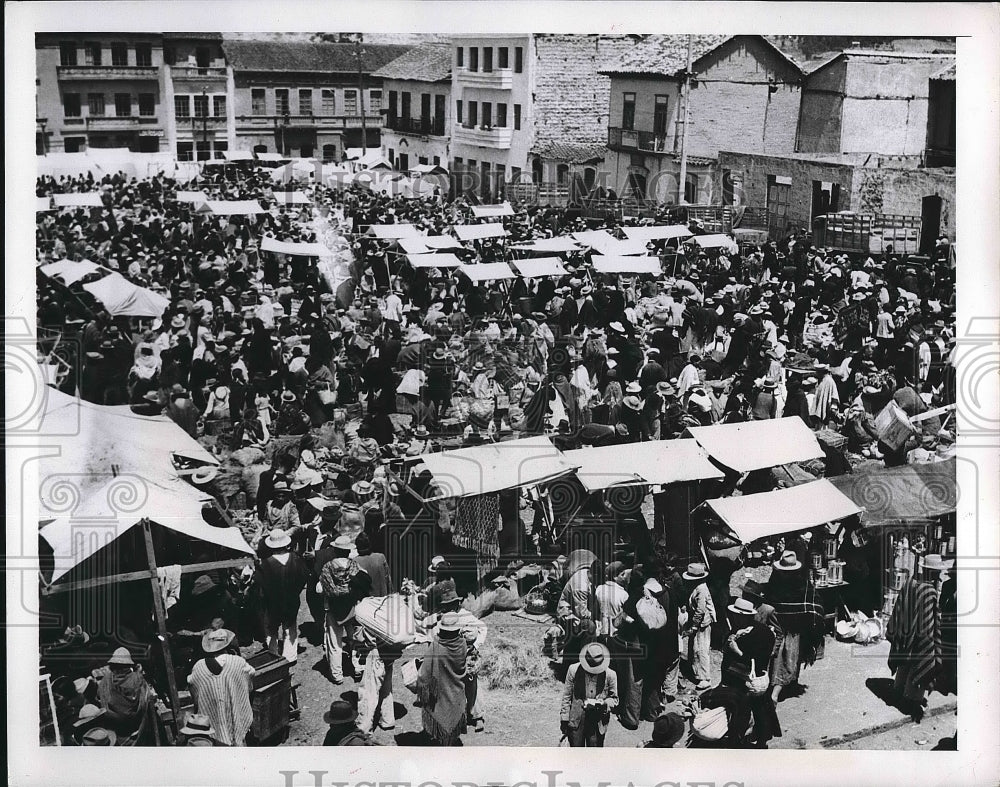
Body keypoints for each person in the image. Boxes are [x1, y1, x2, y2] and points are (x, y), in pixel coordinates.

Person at [887, 554, 950, 720]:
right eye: (938, 573)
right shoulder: (930, 591)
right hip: (919, 636)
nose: (939, 576)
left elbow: (900, 608)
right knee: (921, 661)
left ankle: (898, 689)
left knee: (904, 662)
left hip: (905, 633)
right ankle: (910, 700)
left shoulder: (910, 582)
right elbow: (929, 625)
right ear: (934, 573)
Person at [766, 550, 825, 705]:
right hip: (795, 629)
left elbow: (769, 598)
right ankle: (776, 693)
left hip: (777, 626)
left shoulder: (776, 578)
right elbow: (814, 604)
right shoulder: (802, 581)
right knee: (790, 658)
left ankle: (782, 687)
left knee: (779, 659)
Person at [721, 597, 782, 747]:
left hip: (748, 680)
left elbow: (759, 658)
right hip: (737, 677)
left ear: (743, 616)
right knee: (757, 710)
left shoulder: (762, 634)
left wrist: (736, 650)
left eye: (736, 615)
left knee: (748, 711)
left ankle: (755, 740)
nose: (733, 618)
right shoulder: (737, 630)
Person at [187, 629, 255, 747]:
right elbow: (251, 676)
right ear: (227, 645)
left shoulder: (199, 667)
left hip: (211, 728)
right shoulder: (238, 662)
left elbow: (192, 684)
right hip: (236, 720)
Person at [255, 529, 309, 663]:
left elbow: (259, 584)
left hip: (271, 603)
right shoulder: (296, 559)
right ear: (286, 544)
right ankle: (290, 656)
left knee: (271, 628)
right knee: (290, 628)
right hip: (291, 600)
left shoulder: (264, 563)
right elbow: (303, 577)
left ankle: (272, 653)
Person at [417, 611, 469, 746]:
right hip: (457, 691)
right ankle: (450, 740)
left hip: (440, 693)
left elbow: (425, 674)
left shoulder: (436, 646)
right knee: (453, 715)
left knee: (439, 713)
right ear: (457, 629)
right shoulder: (463, 644)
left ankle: (439, 739)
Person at [319, 555, 372, 684]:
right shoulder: (354, 566)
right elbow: (365, 580)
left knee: (334, 643)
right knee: (355, 638)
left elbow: (319, 589)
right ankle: (358, 668)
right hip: (352, 608)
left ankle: (337, 675)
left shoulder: (327, 568)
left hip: (334, 609)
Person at [559, 641, 619, 748]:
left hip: (597, 720)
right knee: (576, 753)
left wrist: (604, 702)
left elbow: (614, 699)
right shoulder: (573, 670)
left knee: (594, 753)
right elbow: (567, 696)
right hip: (577, 719)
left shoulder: (611, 675)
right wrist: (564, 718)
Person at [92, 648, 155, 744]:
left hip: (115, 730)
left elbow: (98, 697)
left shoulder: (106, 680)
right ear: (129, 665)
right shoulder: (137, 678)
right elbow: (146, 700)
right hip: (136, 727)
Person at [681, 562, 716, 690]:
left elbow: (700, 610)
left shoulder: (701, 589)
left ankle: (705, 678)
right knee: (695, 647)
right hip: (699, 621)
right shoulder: (697, 587)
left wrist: (694, 625)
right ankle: (696, 671)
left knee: (701, 649)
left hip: (703, 623)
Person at [353, 532, 393, 597]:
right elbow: (388, 581)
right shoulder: (380, 557)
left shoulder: (355, 561)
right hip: (382, 599)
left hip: (365, 602)